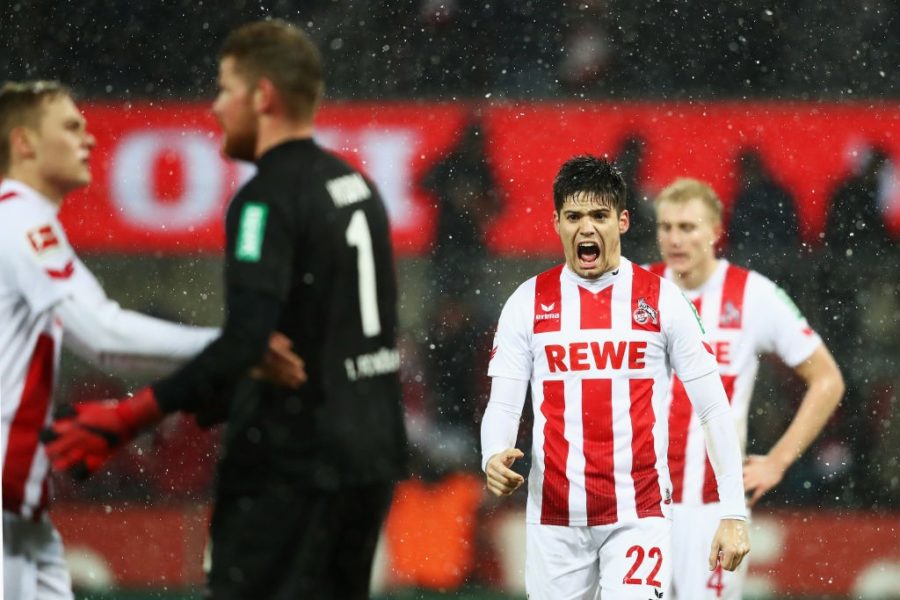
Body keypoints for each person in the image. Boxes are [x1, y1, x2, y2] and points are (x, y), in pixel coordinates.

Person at [43, 20, 408, 600]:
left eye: (224, 89)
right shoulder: (356, 186)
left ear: (262, 96)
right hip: (371, 453)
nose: (215, 108)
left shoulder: (264, 201)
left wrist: (129, 416)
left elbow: (248, 340)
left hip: (292, 459)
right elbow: (322, 338)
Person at [0, 80, 302, 600]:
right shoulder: (19, 220)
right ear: (24, 143)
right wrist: (234, 346)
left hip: (19, 511)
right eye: (71, 127)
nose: (88, 140)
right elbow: (102, 334)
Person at [480, 155, 750, 599]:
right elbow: (505, 404)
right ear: (557, 222)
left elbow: (713, 407)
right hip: (554, 520)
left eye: (599, 216)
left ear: (622, 221)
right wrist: (492, 454)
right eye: (574, 216)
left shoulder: (663, 299)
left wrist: (734, 513)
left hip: (638, 516)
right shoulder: (527, 302)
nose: (587, 228)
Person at [648, 178, 844, 599]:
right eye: (666, 227)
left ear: (715, 230)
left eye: (688, 227)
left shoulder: (754, 295)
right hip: (640, 504)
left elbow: (827, 379)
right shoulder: (636, 291)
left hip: (714, 508)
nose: (675, 239)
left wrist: (778, 460)